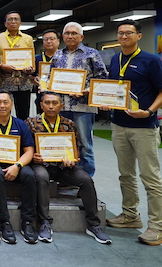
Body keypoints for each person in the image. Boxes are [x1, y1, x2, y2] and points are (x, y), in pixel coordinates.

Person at [101, 19, 162, 246]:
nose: (123, 36)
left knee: (150, 177)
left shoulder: (151, 60)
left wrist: (149, 111)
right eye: (120, 33)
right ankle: (130, 215)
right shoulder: (115, 59)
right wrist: (104, 100)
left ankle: (158, 227)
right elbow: (114, 89)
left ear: (138, 36)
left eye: (128, 33)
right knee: (126, 174)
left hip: (144, 127)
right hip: (119, 125)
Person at [26, 92, 111, 244]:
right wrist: (33, 157)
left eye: (54, 103)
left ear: (61, 106)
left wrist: (72, 160)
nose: (51, 106)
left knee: (85, 179)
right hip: (41, 165)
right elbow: (25, 148)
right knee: (41, 177)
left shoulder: (69, 124)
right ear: (41, 105)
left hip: (63, 167)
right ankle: (44, 222)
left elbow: (75, 149)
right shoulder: (31, 123)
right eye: (47, 103)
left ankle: (93, 224)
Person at [0, 90, 37, 244]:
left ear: (12, 104)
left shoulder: (21, 124)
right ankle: (4, 222)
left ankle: (28, 222)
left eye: (5, 102)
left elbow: (29, 151)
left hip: (17, 163)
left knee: (29, 175)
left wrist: (17, 165)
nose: (2, 106)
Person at [49, 21, 108, 177]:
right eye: (67, 33)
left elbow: (102, 78)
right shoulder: (57, 55)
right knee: (63, 143)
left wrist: (86, 91)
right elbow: (51, 77)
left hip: (83, 107)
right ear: (63, 36)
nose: (70, 36)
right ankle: (66, 178)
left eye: (74, 33)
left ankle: (86, 180)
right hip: (61, 107)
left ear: (81, 37)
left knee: (84, 145)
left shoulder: (92, 53)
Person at [0, 11, 36, 120]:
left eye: (16, 19)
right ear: (5, 23)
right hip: (4, 81)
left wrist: (30, 68)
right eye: (10, 19)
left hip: (24, 82)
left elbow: (31, 58)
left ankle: (22, 131)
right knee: (3, 112)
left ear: (20, 23)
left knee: (23, 115)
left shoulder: (28, 38)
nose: (13, 21)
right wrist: (1, 65)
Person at [34, 29, 60, 112]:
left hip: (60, 97)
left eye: (52, 39)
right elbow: (32, 75)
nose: (49, 41)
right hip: (42, 97)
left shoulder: (64, 58)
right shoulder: (36, 59)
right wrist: (33, 79)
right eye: (46, 39)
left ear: (58, 41)